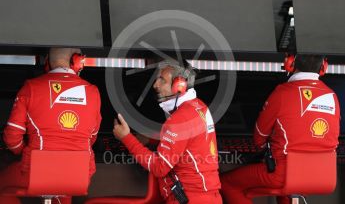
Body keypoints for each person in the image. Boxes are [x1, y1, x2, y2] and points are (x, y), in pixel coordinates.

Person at [220, 54, 340, 204]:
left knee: (228, 183)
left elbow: (259, 136)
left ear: (290, 64)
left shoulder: (282, 92)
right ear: (324, 67)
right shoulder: (332, 95)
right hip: (322, 176)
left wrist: (264, 149)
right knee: (283, 192)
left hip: (284, 173)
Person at [0, 48, 102, 204]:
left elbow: (12, 137)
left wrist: (23, 151)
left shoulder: (31, 87)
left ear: (47, 62)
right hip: (78, 175)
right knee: (64, 187)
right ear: (76, 61)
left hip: (36, 173)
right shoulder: (93, 92)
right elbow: (93, 137)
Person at [113, 60, 222, 204]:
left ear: (179, 86)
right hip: (210, 197)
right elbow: (188, 141)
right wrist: (153, 140)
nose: (155, 85)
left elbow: (159, 168)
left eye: (161, 80)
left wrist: (126, 137)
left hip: (189, 198)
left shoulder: (179, 119)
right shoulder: (200, 107)